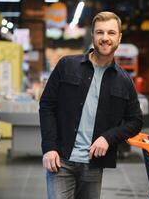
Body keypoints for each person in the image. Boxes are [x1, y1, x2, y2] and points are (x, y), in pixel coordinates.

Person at [39, 11, 143, 199]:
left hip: (93, 164)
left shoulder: (124, 81)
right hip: (61, 160)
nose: (105, 38)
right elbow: (47, 105)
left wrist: (108, 138)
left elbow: (135, 121)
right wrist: (49, 147)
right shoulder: (66, 65)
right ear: (93, 35)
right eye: (100, 32)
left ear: (119, 37)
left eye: (111, 33)